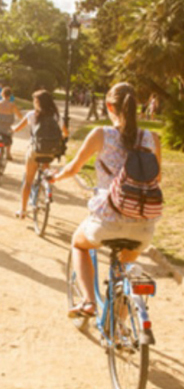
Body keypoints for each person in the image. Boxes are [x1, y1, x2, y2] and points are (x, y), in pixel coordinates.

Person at [51, 82, 161, 318]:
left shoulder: (102, 134)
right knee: (124, 268)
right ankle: (121, 326)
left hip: (107, 219)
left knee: (79, 243)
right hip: (143, 224)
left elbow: (73, 167)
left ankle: (88, 302)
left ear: (109, 106)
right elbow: (157, 177)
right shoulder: (152, 138)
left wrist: (56, 177)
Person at [12, 90, 62, 219]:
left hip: (35, 151)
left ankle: (22, 210)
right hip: (51, 152)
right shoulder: (56, 116)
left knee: (28, 181)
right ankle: (47, 187)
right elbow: (65, 132)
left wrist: (12, 129)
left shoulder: (31, 115)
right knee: (45, 170)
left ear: (38, 103)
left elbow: (17, 128)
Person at [0, 86, 22, 170]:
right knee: (9, 138)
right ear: (10, 95)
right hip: (6, 128)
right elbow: (20, 116)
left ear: (1, 94)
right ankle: (8, 153)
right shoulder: (12, 105)